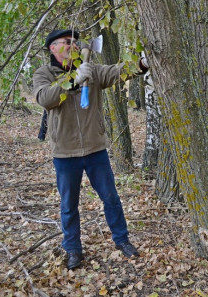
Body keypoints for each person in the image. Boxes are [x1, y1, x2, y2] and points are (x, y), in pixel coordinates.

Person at [33, 29, 149, 270]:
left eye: (75, 42)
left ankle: (122, 240)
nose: (73, 45)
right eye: (67, 42)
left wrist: (142, 63)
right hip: (65, 152)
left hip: (95, 149)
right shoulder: (43, 74)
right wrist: (74, 80)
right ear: (53, 48)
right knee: (68, 205)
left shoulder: (93, 71)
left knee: (111, 198)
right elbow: (45, 98)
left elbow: (118, 71)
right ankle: (73, 249)